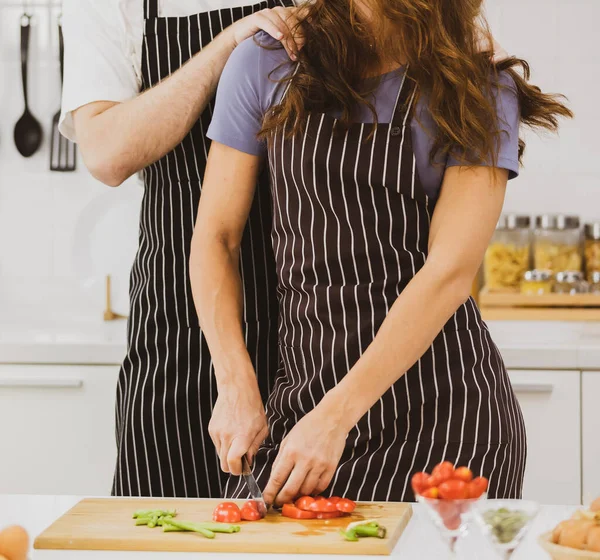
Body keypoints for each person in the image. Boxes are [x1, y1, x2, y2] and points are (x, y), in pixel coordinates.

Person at [190, 0, 572, 504]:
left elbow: (450, 272)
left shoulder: (475, 83)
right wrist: (234, 383)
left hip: (446, 424)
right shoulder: (267, 60)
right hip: (304, 406)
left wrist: (335, 417)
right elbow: (216, 236)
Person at [59, 0, 303, 498]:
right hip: (179, 327)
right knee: (161, 528)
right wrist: (228, 47)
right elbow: (107, 153)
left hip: (314, 321)